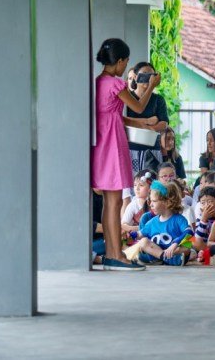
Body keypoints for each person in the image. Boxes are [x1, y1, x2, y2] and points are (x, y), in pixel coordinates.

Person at [92, 38, 160, 271]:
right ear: (120, 61)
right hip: (113, 144)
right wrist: (151, 85)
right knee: (114, 202)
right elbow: (139, 105)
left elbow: (114, 116)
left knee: (109, 202)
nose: (126, 67)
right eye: (126, 62)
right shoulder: (115, 84)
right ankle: (115, 254)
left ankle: (113, 252)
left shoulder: (97, 83)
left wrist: (142, 123)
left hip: (101, 144)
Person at [124, 61, 169, 175]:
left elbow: (163, 123)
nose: (148, 79)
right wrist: (148, 122)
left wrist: (146, 127)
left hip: (152, 148)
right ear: (135, 76)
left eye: (151, 76)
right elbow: (124, 120)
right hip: (130, 148)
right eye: (144, 74)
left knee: (151, 185)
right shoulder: (128, 98)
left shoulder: (158, 99)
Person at [137, 181, 193, 266]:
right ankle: (165, 258)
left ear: (167, 202)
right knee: (143, 242)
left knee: (188, 245)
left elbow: (189, 232)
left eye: (154, 201)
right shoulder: (152, 222)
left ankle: (160, 259)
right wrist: (129, 235)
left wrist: (175, 243)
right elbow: (139, 234)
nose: (151, 205)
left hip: (175, 251)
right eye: (150, 201)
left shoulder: (179, 219)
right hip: (160, 252)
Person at [121, 169, 156, 235]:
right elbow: (123, 225)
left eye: (141, 185)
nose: (137, 188)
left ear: (151, 187)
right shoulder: (133, 205)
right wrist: (141, 228)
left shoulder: (158, 203)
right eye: (135, 185)